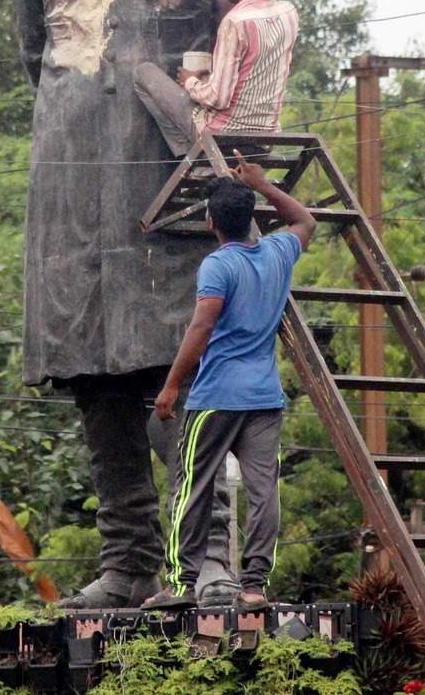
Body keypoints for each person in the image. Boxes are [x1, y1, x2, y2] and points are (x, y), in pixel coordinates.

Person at [13, 0, 256, 609]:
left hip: (170, 168)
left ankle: (211, 559)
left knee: (179, 360)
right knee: (93, 369)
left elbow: (248, 42)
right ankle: (128, 563)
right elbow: (33, 48)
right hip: (73, 165)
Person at [141, 152, 316, 611]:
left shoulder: (218, 266)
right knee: (264, 492)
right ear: (251, 217)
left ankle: (181, 585)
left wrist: (172, 385)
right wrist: (262, 185)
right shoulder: (278, 252)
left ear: (210, 220)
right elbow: (305, 221)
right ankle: (254, 587)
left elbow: (201, 328)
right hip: (264, 397)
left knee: (192, 486)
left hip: (217, 396)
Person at [133, 0, 298, 156]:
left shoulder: (235, 22)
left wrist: (190, 81)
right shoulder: (288, 14)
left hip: (222, 136)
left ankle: (193, 158)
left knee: (143, 73)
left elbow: (217, 98)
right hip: (266, 137)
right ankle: (200, 161)